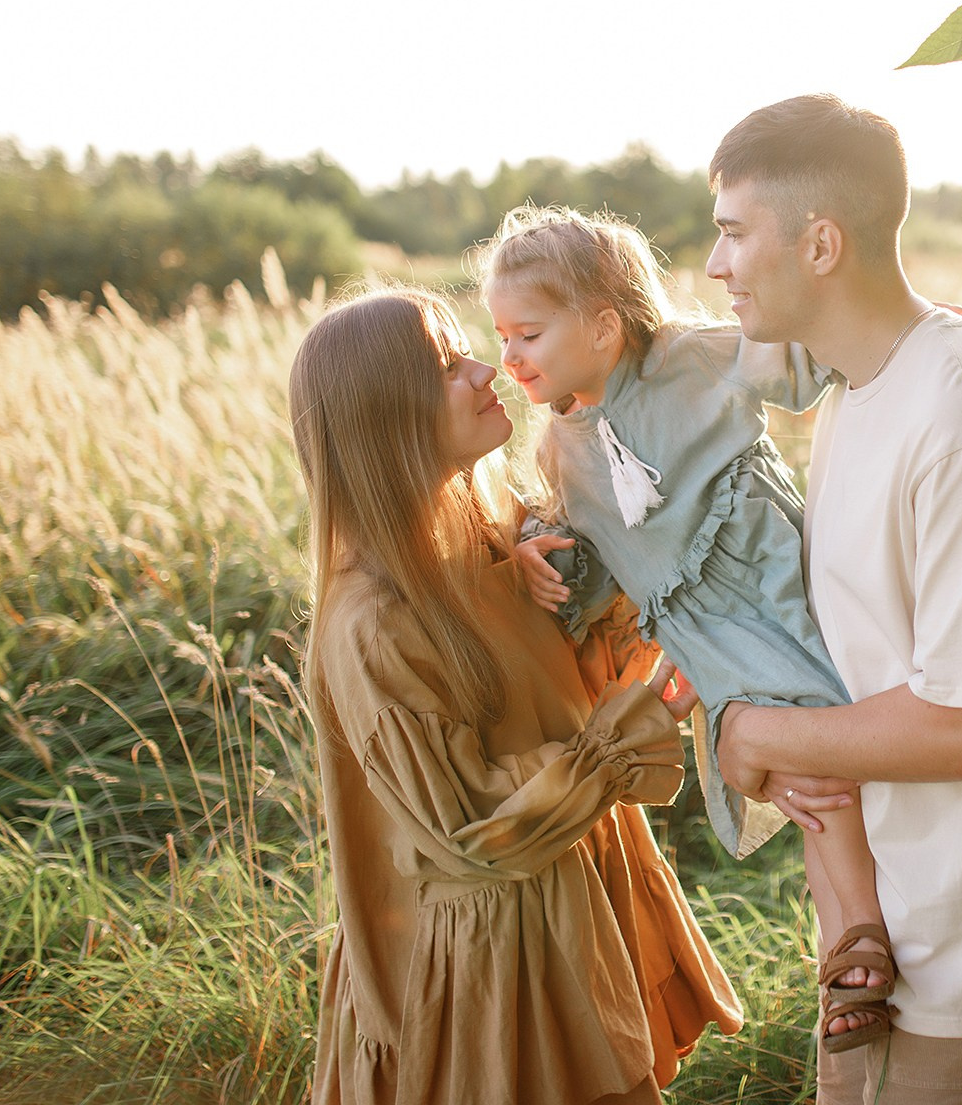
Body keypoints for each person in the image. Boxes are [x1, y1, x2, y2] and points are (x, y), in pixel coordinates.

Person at [706, 96, 962, 1104]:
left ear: (823, 242)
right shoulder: (858, 393)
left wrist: (759, 734)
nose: (715, 266)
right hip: (881, 930)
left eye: (731, 233)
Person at [289, 287, 742, 1105]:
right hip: (497, 962)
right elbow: (473, 826)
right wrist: (639, 724)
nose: (483, 371)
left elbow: (576, 662)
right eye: (444, 366)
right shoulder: (372, 623)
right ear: (385, 416)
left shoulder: (496, 535)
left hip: (567, 903)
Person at [479, 206, 898, 1053]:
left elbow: (806, 361)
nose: (509, 356)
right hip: (701, 638)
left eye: (526, 333)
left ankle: (859, 939)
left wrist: (906, 337)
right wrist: (544, 561)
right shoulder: (561, 447)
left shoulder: (694, 360)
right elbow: (595, 563)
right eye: (501, 336)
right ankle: (854, 939)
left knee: (817, 757)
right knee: (799, 770)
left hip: (771, 588)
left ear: (602, 326)